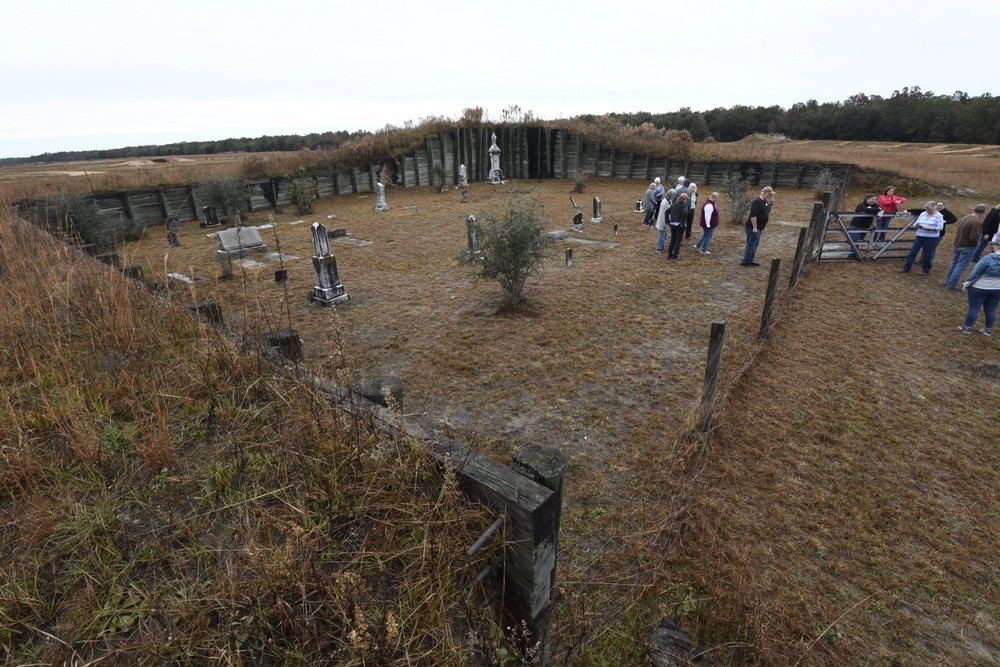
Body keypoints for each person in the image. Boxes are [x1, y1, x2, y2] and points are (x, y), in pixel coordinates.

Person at [958, 234, 1000, 336]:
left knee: (974, 307)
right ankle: (988, 329)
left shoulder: (987, 258)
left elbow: (976, 273)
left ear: (998, 246)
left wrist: (967, 283)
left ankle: (967, 328)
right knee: (991, 309)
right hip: (997, 289)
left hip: (980, 287)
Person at [944, 204, 987, 290]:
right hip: (967, 247)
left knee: (954, 264)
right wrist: (975, 245)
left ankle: (948, 281)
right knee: (960, 266)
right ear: (983, 212)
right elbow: (973, 237)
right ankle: (951, 285)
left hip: (958, 244)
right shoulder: (976, 222)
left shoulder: (965, 217)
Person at [899, 201, 944, 274]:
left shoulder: (939, 216)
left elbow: (940, 227)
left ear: (933, 209)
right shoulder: (923, 214)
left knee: (927, 254)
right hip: (920, 236)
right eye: (926, 209)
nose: (927, 211)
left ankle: (926, 269)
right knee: (913, 252)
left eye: (929, 209)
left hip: (931, 238)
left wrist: (928, 229)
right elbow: (915, 223)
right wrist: (917, 225)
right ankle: (906, 267)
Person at [741, 186, 775, 267]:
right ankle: (745, 261)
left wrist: (770, 204)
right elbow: (753, 216)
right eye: (770, 195)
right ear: (765, 193)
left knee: (755, 244)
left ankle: (750, 260)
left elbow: (767, 212)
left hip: (760, 227)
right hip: (752, 227)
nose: (770, 197)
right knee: (751, 244)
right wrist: (754, 227)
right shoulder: (757, 201)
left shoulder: (764, 201)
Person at [667, 192, 689, 259]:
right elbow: (685, 212)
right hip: (680, 226)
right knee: (678, 241)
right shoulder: (684, 205)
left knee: (672, 239)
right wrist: (682, 223)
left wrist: (667, 221)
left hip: (673, 224)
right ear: (685, 199)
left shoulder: (674, 205)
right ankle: (675, 256)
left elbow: (666, 212)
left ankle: (669, 255)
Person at [654, 188, 676, 255]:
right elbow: (663, 214)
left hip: (667, 222)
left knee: (664, 235)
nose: (674, 197)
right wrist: (665, 223)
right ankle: (658, 249)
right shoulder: (664, 202)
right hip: (663, 222)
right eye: (673, 195)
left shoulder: (669, 201)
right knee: (661, 236)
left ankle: (662, 248)